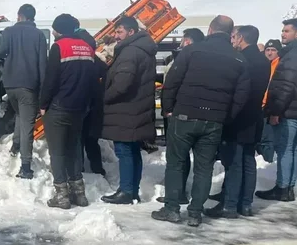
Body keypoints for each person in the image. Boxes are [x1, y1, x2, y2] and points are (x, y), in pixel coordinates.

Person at [152, 15, 250, 227]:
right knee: (204, 168)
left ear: (210, 30)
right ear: (230, 34)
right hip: (214, 120)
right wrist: (226, 117)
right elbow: (241, 96)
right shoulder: (239, 60)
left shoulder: (191, 51)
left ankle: (172, 209)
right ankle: (195, 213)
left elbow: (173, 82)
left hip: (184, 115)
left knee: (176, 163)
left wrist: (168, 109)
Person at [205, 25, 271, 219]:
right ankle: (246, 204)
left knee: (234, 162)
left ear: (241, 38)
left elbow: (235, 90)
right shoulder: (264, 60)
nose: (232, 40)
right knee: (248, 161)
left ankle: (230, 205)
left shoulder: (240, 59)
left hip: (237, 116)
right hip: (255, 116)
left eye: (234, 37)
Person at [40, 14, 101, 209]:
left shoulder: (59, 47)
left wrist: (43, 104)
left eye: (54, 28)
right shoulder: (87, 48)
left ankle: (62, 196)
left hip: (59, 107)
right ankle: (79, 194)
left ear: (59, 29)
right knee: (74, 149)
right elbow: (93, 80)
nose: (52, 32)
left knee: (57, 152)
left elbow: (51, 79)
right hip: (79, 108)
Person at [100, 16, 158, 204]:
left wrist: (104, 97)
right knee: (133, 151)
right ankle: (132, 190)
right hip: (137, 108)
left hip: (125, 110)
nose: (116, 36)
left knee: (124, 151)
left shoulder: (130, 52)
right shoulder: (143, 49)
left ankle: (126, 191)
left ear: (131, 32)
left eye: (119, 32)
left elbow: (122, 84)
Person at [0, 4, 49, 179]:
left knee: (20, 115)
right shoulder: (39, 35)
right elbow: (42, 64)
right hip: (29, 86)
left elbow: (0, 51)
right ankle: (26, 167)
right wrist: (43, 91)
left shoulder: (9, 32)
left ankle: (15, 146)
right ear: (33, 17)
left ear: (19, 15)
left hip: (10, 85)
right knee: (27, 126)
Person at [258, 19, 297, 202]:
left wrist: (276, 111)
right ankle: (288, 188)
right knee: (293, 149)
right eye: (283, 30)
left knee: (285, 149)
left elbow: (287, 85)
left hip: (288, 110)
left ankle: (282, 188)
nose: (283, 34)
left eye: (287, 31)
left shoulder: (293, 55)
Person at [156, 27, 205, 204]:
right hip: (189, 111)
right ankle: (183, 192)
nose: (181, 43)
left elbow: (173, 84)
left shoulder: (185, 58)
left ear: (189, 41)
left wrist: (168, 108)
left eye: (183, 39)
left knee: (177, 156)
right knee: (185, 157)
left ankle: (177, 194)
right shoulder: (200, 58)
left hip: (178, 112)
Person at [74, 22, 108, 176]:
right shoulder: (96, 60)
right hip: (95, 104)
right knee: (92, 140)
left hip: (80, 103)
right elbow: (105, 73)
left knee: (78, 139)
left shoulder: (77, 59)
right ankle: (98, 169)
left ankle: (79, 169)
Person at [256, 38, 282, 162]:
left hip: (271, 106)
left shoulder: (280, 65)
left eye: (273, 50)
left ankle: (268, 163)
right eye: (268, 50)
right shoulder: (264, 64)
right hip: (261, 104)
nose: (270, 53)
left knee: (268, 138)